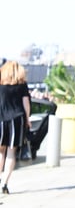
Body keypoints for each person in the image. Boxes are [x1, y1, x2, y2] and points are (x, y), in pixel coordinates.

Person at [0, 61, 31, 195]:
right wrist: (28, 119)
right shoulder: (22, 85)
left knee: (1, 152)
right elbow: (26, 104)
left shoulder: (0, 84)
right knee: (11, 153)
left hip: (1, 120)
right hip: (16, 120)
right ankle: (4, 183)